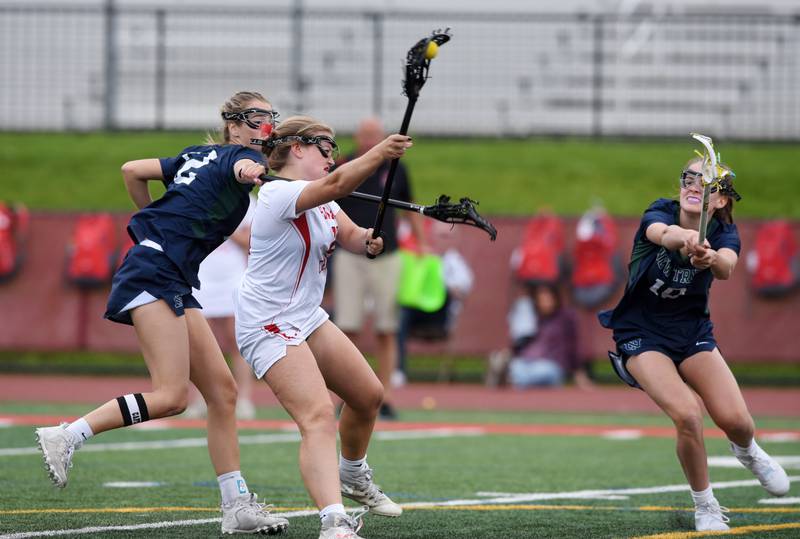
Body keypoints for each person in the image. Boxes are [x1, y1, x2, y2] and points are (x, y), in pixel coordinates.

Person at [34, 91, 289, 535]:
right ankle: (67, 434)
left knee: (223, 393)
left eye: (269, 118)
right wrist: (251, 169)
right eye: (254, 118)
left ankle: (236, 507)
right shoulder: (237, 159)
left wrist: (149, 217)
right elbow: (242, 167)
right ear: (233, 124)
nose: (263, 126)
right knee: (172, 396)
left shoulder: (197, 154)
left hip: (168, 273)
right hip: (155, 272)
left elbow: (133, 170)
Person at [234, 115, 412, 539]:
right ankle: (333, 521)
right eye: (325, 148)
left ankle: (352, 474)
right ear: (297, 149)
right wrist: (379, 153)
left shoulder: (323, 201)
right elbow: (336, 187)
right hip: (268, 322)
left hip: (306, 317)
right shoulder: (279, 193)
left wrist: (369, 240)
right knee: (317, 415)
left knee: (367, 395)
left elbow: (350, 235)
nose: (332, 157)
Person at [598, 156, 790, 532]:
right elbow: (662, 234)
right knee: (687, 414)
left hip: (692, 332)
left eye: (705, 182)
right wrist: (688, 240)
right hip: (641, 332)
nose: (692, 185)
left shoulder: (723, 232)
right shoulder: (659, 211)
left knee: (736, 421)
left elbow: (728, 267)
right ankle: (706, 506)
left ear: (719, 200)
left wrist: (710, 256)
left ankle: (749, 451)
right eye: (689, 178)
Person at [332, 117, 427, 420]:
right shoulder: (344, 165)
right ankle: (347, 392)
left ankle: (384, 394)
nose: (370, 139)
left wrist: (422, 245)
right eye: (366, 134)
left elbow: (410, 206)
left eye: (376, 134)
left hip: (388, 255)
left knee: (387, 327)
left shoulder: (396, 168)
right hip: (350, 254)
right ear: (357, 136)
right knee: (348, 326)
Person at [185, 193, 258, 420]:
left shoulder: (247, 201)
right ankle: (198, 401)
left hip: (233, 278)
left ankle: (244, 400)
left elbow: (251, 241)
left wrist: (224, 227)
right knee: (198, 343)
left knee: (237, 342)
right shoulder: (198, 195)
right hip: (201, 277)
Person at [486, 283, 594, 389]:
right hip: (528, 362)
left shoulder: (566, 318)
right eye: (541, 299)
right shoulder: (533, 318)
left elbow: (573, 346)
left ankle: (511, 380)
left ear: (556, 298)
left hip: (553, 364)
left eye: (548, 298)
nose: (545, 302)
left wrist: (579, 373)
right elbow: (522, 342)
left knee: (542, 372)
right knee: (517, 366)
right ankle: (509, 376)